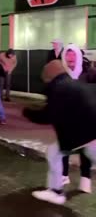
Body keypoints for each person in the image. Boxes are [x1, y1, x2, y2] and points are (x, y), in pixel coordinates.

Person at [24, 60, 96, 205]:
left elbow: (49, 115)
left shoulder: (57, 88)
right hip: (91, 130)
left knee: (53, 153)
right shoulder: (73, 83)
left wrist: (28, 112)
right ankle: (58, 190)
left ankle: (56, 192)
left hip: (80, 132)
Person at [60, 44, 92, 193]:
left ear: (78, 56)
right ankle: (64, 175)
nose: (70, 58)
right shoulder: (61, 75)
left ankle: (86, 178)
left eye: (73, 55)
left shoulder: (88, 74)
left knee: (85, 149)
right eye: (68, 54)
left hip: (85, 118)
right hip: (67, 118)